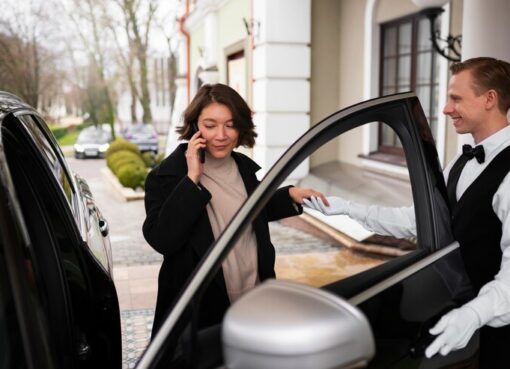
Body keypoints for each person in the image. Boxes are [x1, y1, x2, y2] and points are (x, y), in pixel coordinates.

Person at [305, 57, 510, 366]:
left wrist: (473, 314)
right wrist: (346, 208)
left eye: (456, 98)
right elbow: (417, 221)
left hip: (497, 336)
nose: (446, 109)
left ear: (489, 99)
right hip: (452, 316)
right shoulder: (460, 162)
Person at [143, 83, 327, 337]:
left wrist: (290, 195)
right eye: (210, 125)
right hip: (202, 310)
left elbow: (250, 208)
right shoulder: (167, 176)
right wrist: (191, 179)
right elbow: (162, 239)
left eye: (230, 124)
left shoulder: (243, 168)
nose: (221, 135)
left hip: (255, 295)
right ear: (195, 125)